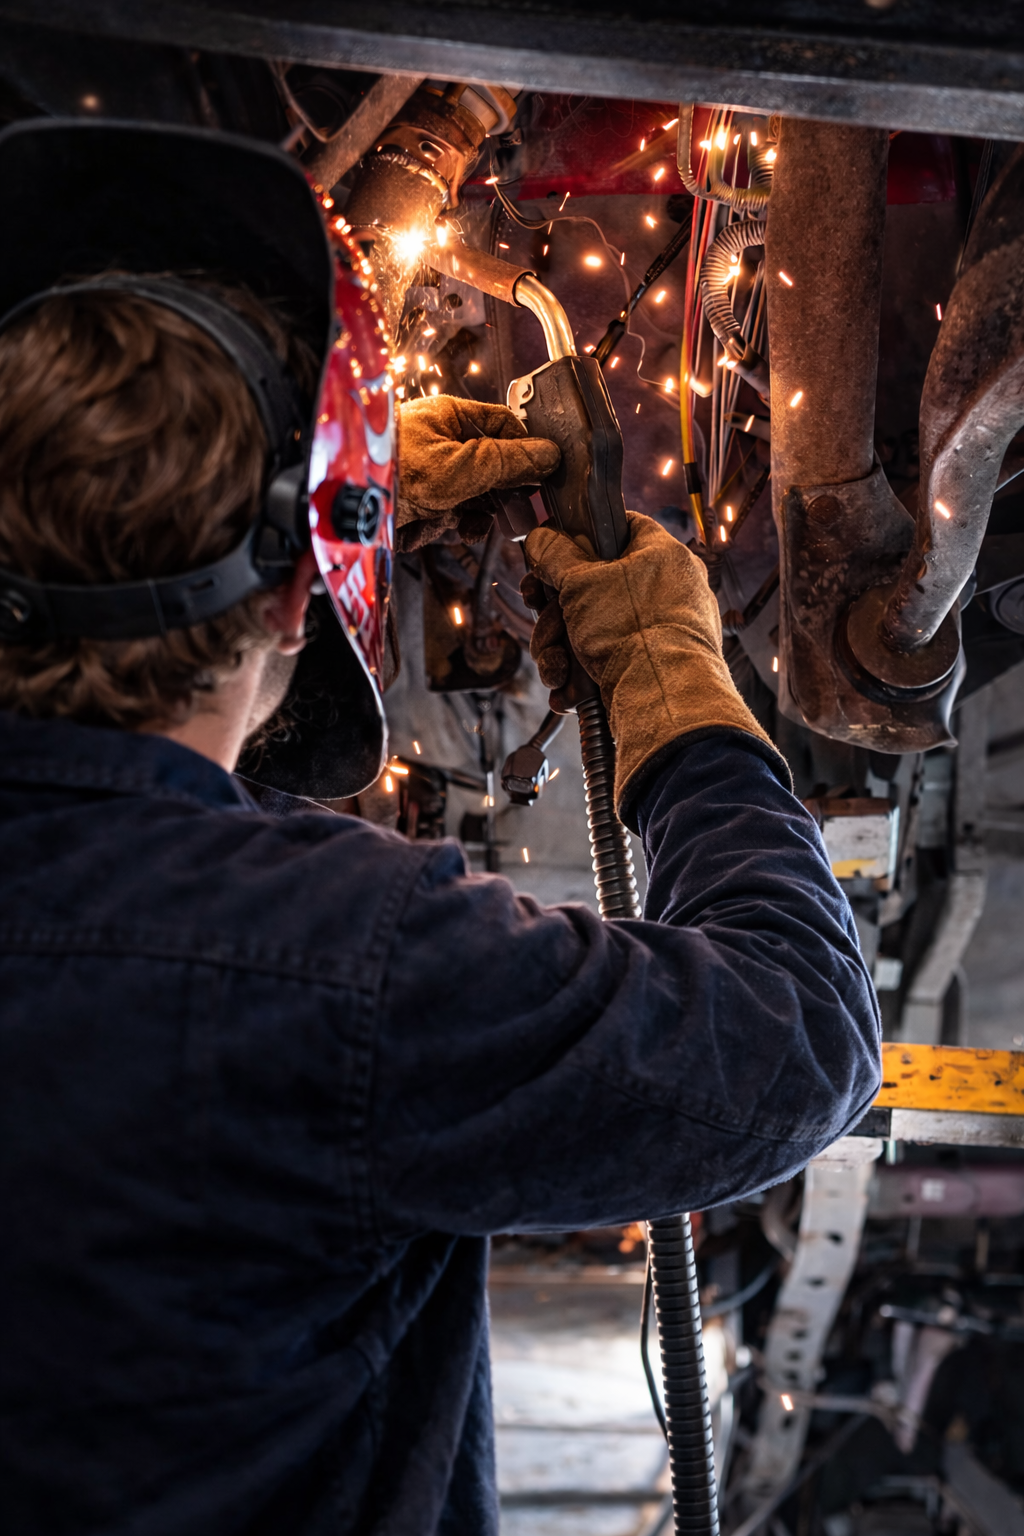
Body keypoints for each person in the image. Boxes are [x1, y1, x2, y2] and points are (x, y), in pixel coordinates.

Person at [0, 120, 881, 1536]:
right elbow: (797, 1044)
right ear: (305, 597)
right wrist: (681, 698)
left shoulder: (289, 944)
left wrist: (355, 487)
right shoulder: (347, 958)